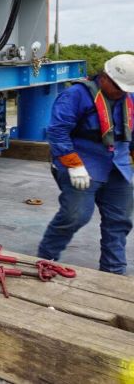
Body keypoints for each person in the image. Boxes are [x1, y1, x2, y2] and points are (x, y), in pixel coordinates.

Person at [38, 53, 134, 274]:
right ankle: (45, 258)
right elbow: (58, 132)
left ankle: (113, 272)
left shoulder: (129, 99)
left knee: (119, 221)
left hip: (118, 167)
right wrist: (73, 164)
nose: (122, 92)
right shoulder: (75, 95)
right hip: (82, 162)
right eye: (119, 87)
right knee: (75, 216)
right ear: (105, 77)